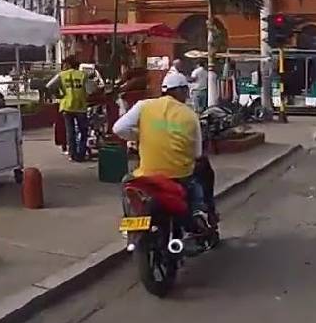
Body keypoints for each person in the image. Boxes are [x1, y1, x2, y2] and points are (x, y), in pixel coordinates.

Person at [112, 71, 211, 224]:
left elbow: (118, 128)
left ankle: (130, 221)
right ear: (182, 91)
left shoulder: (144, 106)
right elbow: (197, 153)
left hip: (147, 174)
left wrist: (139, 136)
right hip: (179, 176)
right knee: (200, 176)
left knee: (127, 183)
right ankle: (200, 213)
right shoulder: (190, 115)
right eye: (185, 91)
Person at [46, 56, 94, 162]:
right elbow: (91, 90)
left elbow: (49, 86)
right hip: (80, 106)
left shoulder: (62, 75)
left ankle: (72, 154)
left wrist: (58, 95)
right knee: (83, 131)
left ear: (68, 64)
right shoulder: (83, 75)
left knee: (70, 132)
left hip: (66, 106)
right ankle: (81, 154)